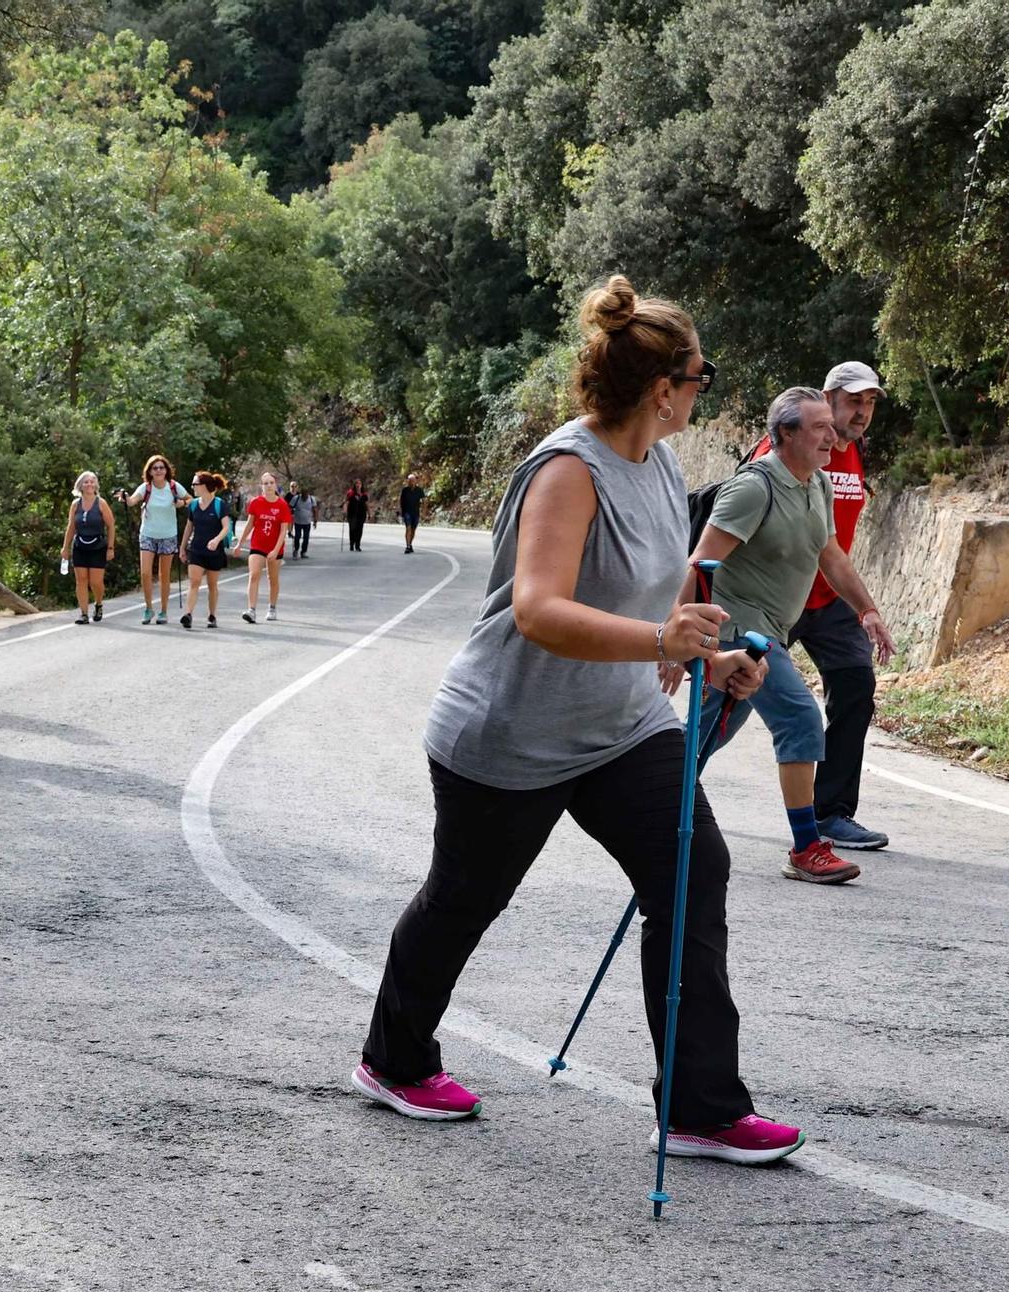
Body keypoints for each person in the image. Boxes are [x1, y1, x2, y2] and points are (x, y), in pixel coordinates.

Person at [354, 275, 806, 1172]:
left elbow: (664, 580)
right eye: (699, 373)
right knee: (464, 900)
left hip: (621, 724)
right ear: (662, 388)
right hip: (510, 732)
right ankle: (393, 1059)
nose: (703, 386)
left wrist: (704, 654)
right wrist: (654, 639)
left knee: (691, 871)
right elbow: (536, 609)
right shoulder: (568, 469)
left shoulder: (661, 461)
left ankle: (699, 1106)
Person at [676, 387, 895, 885]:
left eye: (830, 426)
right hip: (737, 627)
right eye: (819, 427)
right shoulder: (755, 488)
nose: (832, 435)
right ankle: (807, 847)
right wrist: (679, 637)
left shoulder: (818, 485)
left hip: (770, 625)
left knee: (712, 730)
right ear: (785, 434)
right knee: (799, 717)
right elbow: (699, 565)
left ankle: (656, 793)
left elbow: (831, 556)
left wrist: (867, 610)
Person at [743, 363, 889, 849]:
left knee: (855, 684)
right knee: (729, 700)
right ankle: (672, 782)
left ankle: (830, 813)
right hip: (772, 599)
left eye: (869, 402)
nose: (862, 412)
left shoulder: (853, 454)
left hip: (826, 599)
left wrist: (866, 609)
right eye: (853, 401)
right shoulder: (785, 452)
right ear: (827, 399)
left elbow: (833, 548)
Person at [118, 456, 188, 624]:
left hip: (168, 535)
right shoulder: (146, 488)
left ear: (166, 470)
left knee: (164, 575)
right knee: (145, 573)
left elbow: (191, 500)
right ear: (149, 471)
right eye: (155, 468)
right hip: (148, 534)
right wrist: (125, 498)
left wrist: (181, 503)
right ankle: (148, 609)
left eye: (161, 467)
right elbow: (132, 500)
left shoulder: (173, 486)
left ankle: (163, 611)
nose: (158, 470)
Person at [179, 470, 234, 628]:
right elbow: (188, 528)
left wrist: (216, 540)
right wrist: (182, 548)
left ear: (204, 486)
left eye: (195, 484)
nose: (193, 487)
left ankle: (212, 615)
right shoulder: (194, 505)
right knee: (194, 582)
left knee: (212, 585)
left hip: (214, 552)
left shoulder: (219, 505)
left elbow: (226, 527)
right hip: (196, 549)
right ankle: (188, 614)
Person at [61, 470, 115, 623]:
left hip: (98, 546)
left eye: (92, 481)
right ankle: (83, 613)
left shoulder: (101, 503)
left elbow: (111, 525)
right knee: (81, 580)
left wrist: (110, 547)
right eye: (86, 482)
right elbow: (71, 527)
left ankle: (98, 604)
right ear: (81, 486)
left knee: (95, 582)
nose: (89, 484)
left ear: (96, 485)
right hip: (80, 546)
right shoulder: (75, 505)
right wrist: (65, 547)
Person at [239, 471, 290, 624]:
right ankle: (251, 610)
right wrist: (240, 543)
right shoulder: (256, 502)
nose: (268, 486)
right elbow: (250, 524)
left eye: (271, 483)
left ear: (276, 485)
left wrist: (275, 550)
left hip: (275, 547)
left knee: (272, 578)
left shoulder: (282, 505)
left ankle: (272, 607)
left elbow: (283, 531)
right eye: (265, 483)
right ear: (261, 486)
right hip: (258, 544)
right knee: (254, 574)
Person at [399, 473, 424, 553]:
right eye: (410, 481)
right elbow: (401, 501)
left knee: (413, 530)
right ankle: (407, 546)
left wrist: (424, 511)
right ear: (408, 481)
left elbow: (424, 501)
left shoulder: (419, 490)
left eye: (413, 480)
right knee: (408, 528)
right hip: (407, 512)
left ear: (416, 481)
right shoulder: (405, 490)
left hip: (416, 512)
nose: (411, 482)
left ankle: (410, 544)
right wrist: (401, 511)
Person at [290, 489, 316, 559]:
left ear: (308, 494)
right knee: (297, 537)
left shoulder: (311, 499)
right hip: (298, 522)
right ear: (301, 494)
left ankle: (303, 552)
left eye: (306, 495)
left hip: (307, 522)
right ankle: (295, 551)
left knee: (306, 538)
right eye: (303, 495)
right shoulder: (296, 498)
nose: (305, 497)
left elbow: (314, 510)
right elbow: (290, 507)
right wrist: (290, 518)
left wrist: (315, 521)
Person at [346, 480, 368, 552]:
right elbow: (347, 502)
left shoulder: (364, 495)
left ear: (361, 485)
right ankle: (352, 544)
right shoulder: (351, 493)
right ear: (354, 485)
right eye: (356, 483)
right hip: (352, 514)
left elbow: (366, 504)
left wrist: (369, 513)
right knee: (352, 529)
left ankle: (357, 545)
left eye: (359, 483)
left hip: (361, 515)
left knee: (359, 530)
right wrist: (345, 510)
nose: (358, 485)